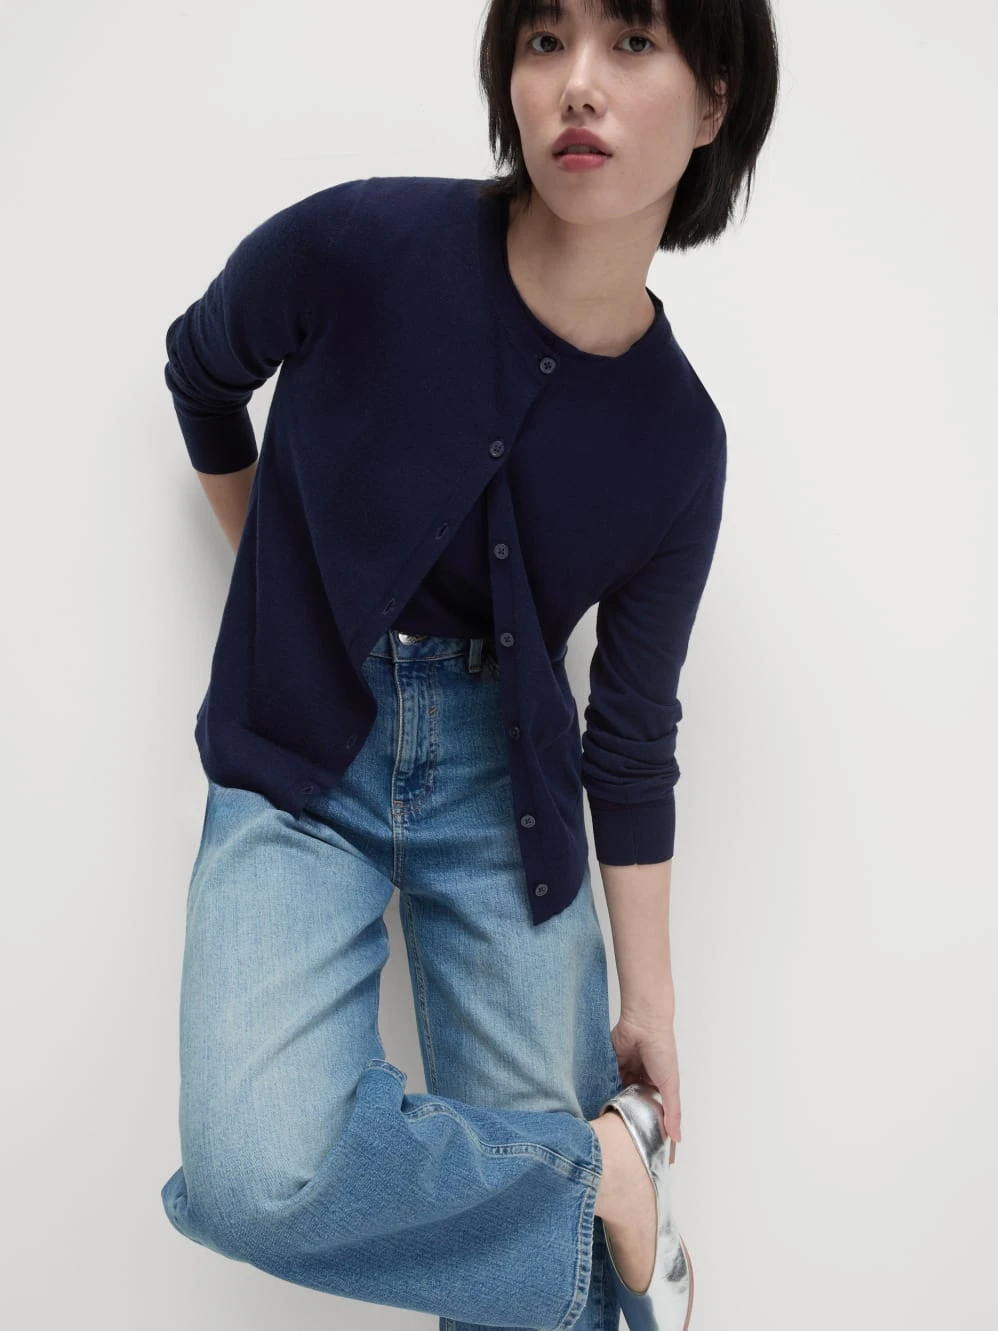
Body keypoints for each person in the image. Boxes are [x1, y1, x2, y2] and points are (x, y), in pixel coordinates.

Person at [159, 2, 780, 1328]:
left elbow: (631, 737)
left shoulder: (680, 443)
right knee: (253, 1174)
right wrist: (284, 587)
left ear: (716, 101)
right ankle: (603, 1174)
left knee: (534, 1304)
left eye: (632, 44)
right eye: (545, 42)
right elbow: (201, 372)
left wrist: (653, 1003)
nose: (577, 85)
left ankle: (611, 1180)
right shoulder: (360, 245)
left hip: (507, 793)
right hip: (294, 760)